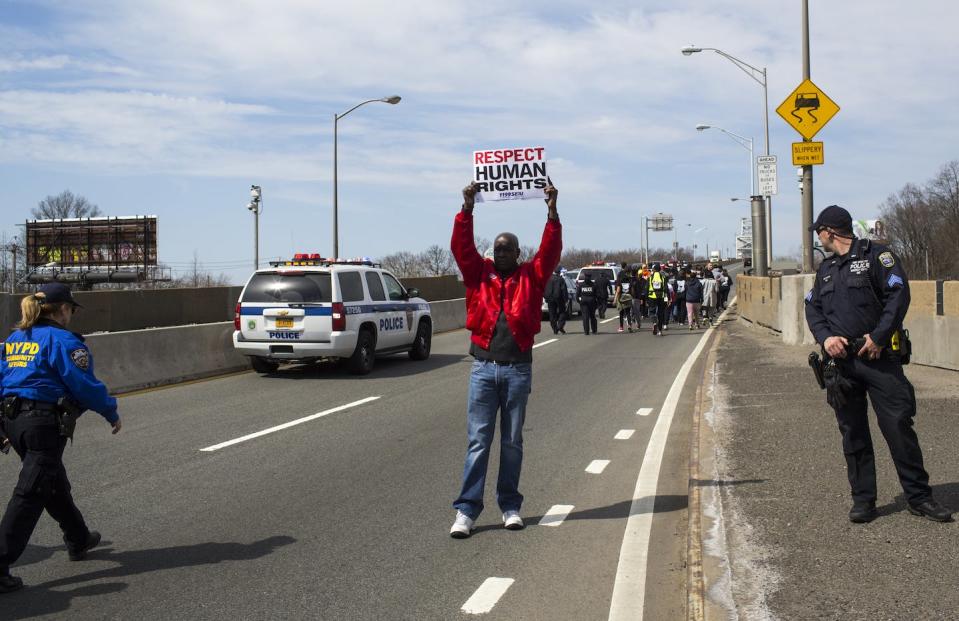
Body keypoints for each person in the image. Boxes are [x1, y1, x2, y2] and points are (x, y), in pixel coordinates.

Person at [804, 205, 951, 524]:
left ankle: (919, 497)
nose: (818, 237)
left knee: (898, 426)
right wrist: (826, 338)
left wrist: (881, 336)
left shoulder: (877, 257)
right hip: (841, 365)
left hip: (878, 358)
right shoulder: (826, 269)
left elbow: (898, 294)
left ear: (829, 231)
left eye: (819, 231)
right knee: (852, 433)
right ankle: (863, 500)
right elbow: (812, 308)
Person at [449, 180, 561, 538]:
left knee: (512, 442)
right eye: (496, 250)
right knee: (479, 441)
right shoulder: (478, 275)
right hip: (483, 369)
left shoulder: (532, 275)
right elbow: (461, 247)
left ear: (517, 253)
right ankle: (466, 511)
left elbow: (551, 249)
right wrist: (467, 208)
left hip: (516, 370)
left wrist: (552, 210)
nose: (500, 254)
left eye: (506, 250)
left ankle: (510, 505)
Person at [0, 283, 121, 593]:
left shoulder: (16, 339)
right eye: (70, 309)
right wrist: (110, 411)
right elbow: (83, 384)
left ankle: (78, 538)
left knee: (51, 482)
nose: (71, 315)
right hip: (42, 424)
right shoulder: (64, 341)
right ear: (63, 310)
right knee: (30, 492)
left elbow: (4, 380)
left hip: (13, 422)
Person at [544, 268, 568, 335]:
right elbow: (564, 290)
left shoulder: (548, 279)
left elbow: (544, 289)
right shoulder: (560, 279)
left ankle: (555, 328)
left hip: (550, 298)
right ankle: (560, 325)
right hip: (559, 298)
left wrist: (545, 297)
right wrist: (566, 299)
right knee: (562, 312)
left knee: (552, 314)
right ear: (559, 272)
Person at [646, 263, 668, 336]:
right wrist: (666, 299)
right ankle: (660, 331)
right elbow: (665, 289)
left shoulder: (650, 277)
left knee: (652, 311)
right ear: (660, 269)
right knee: (661, 313)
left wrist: (646, 299)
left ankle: (654, 322)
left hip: (652, 296)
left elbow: (646, 288)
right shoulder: (663, 277)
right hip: (661, 297)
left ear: (654, 270)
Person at [613, 265, 634, 333]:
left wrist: (615, 299)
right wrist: (632, 296)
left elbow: (618, 290)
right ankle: (629, 326)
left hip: (621, 297)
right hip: (628, 297)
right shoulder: (630, 279)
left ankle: (621, 327)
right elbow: (632, 289)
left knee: (621, 313)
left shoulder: (620, 278)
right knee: (628, 312)